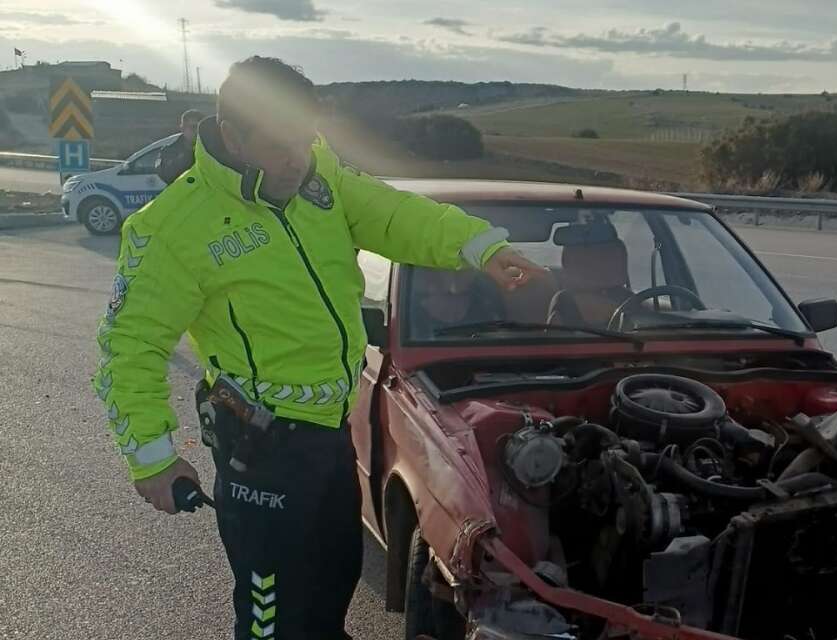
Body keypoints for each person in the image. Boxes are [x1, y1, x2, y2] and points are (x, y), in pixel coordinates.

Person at [92, 56, 543, 639]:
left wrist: (479, 246)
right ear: (233, 134)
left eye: (305, 139)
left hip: (332, 440)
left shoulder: (316, 177)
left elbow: (392, 214)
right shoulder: (174, 227)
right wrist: (152, 458)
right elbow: (128, 347)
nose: (296, 158)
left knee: (330, 596)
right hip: (262, 455)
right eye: (281, 144)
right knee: (274, 624)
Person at [155, 108, 205, 184]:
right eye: (193, 127)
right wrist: (188, 155)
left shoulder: (212, 150)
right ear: (182, 128)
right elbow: (167, 176)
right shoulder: (169, 151)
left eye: (200, 128)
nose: (197, 131)